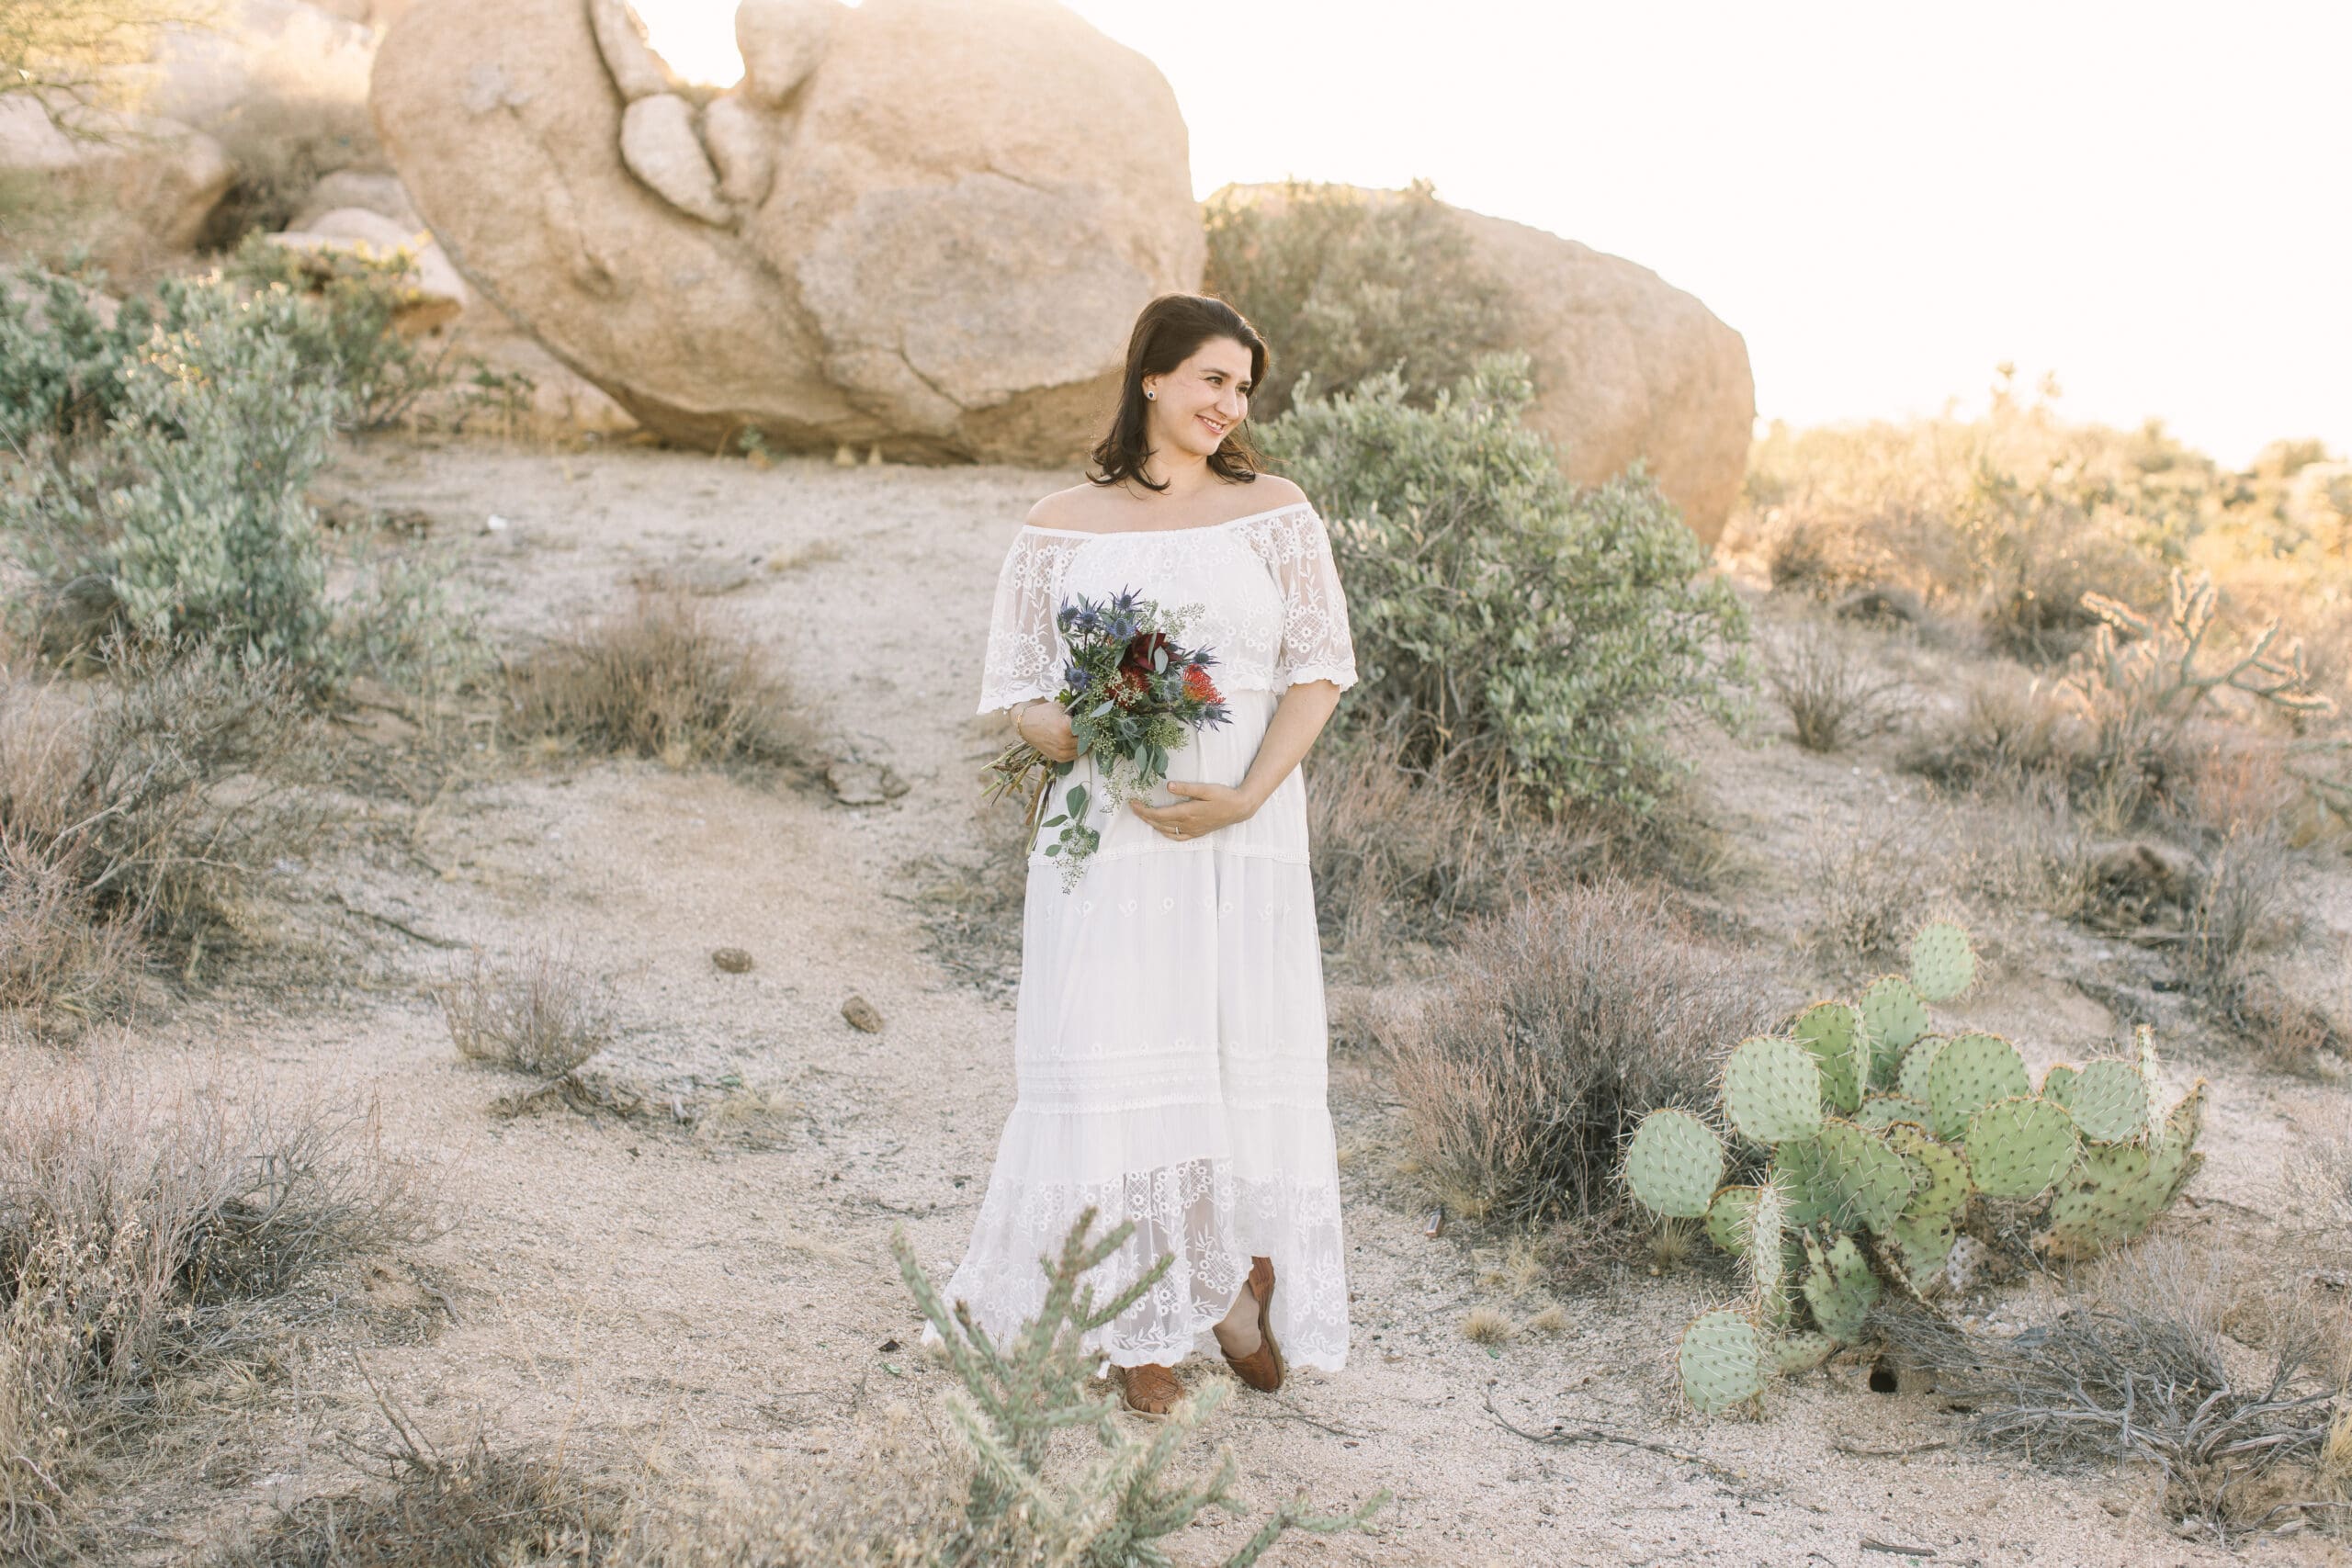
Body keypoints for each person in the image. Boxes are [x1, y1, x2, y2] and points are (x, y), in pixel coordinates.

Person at [940, 293, 1358, 1414]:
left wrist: (1248, 797)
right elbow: (1020, 688)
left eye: (1243, 390)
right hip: (1108, 836)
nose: (1230, 405)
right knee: (1111, 1046)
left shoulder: (1276, 512)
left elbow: (1319, 671)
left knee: (1221, 1050)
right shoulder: (1059, 521)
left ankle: (1232, 1285)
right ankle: (1139, 1327)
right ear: (1153, 379)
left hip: (1240, 829)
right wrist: (1067, 725)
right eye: (1213, 380)